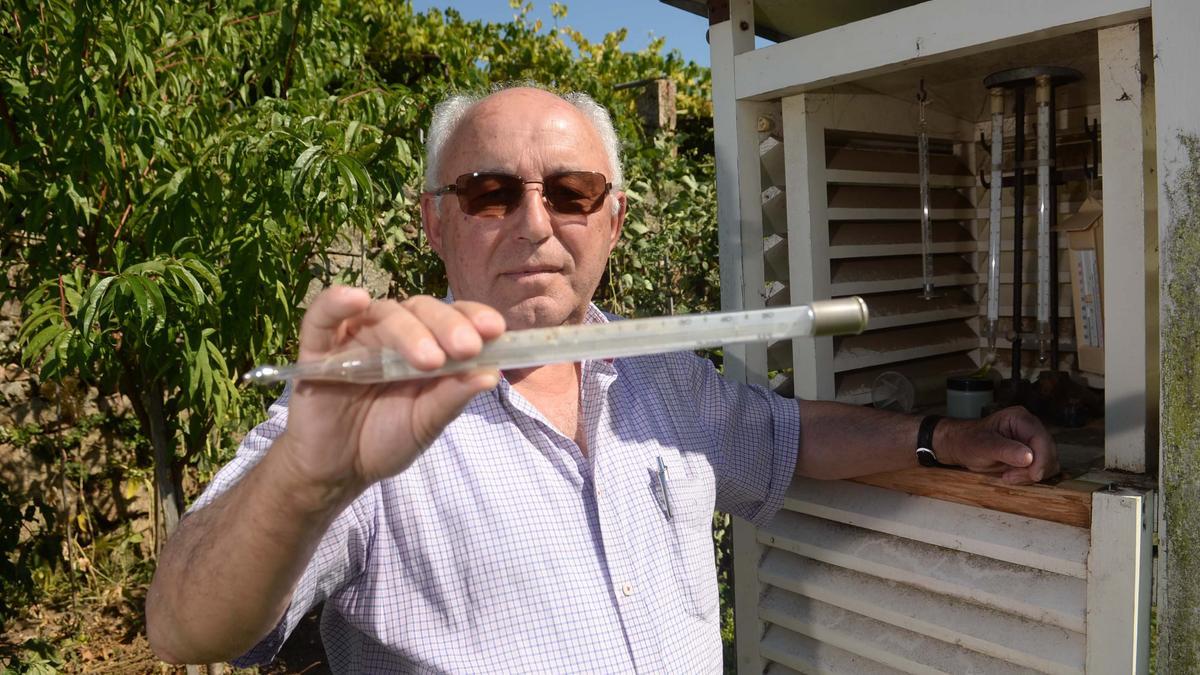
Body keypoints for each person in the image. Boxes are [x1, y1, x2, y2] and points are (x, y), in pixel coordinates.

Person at [146, 85, 1059, 672]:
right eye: (491, 192)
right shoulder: (367, 410)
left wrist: (940, 438)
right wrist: (304, 480)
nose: (536, 223)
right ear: (436, 221)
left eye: (572, 192)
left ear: (612, 220)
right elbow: (186, 624)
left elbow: (784, 436)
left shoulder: (661, 369)